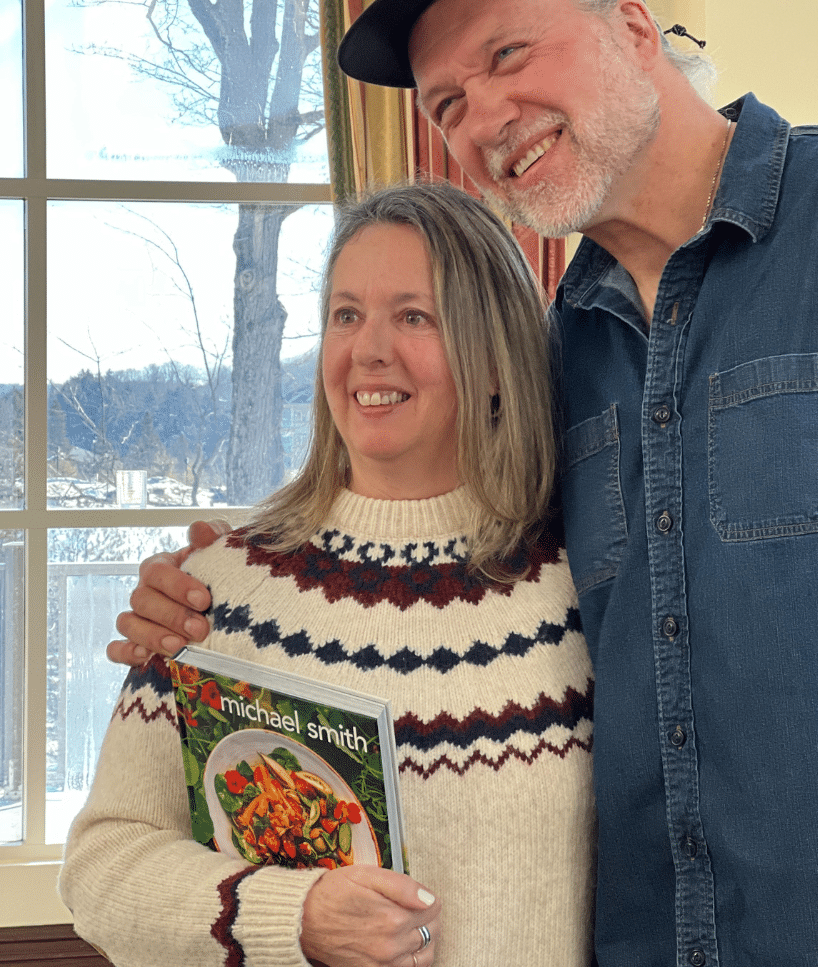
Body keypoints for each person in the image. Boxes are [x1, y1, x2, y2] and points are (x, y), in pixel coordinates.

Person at [110, 0, 818, 967]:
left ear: (633, 28)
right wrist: (213, 591)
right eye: (447, 104)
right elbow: (445, 552)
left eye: (508, 54)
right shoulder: (560, 347)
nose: (485, 118)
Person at [61, 180, 596, 967]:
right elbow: (102, 866)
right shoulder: (213, 592)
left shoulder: (588, 591)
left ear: (495, 361)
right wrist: (291, 916)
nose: (367, 349)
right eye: (346, 315)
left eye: (414, 316)